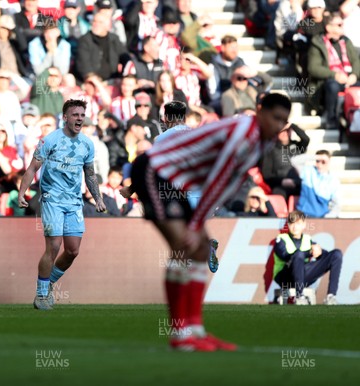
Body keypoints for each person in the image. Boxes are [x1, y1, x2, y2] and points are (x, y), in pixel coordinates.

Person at [120, 92, 292, 351]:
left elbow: (231, 182)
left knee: (200, 248)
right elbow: (218, 178)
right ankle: (180, 334)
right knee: (183, 246)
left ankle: (196, 330)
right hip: (154, 170)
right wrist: (195, 222)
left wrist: (197, 222)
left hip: (176, 180)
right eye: (275, 117)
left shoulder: (263, 142)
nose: (278, 125)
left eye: (283, 121)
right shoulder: (243, 132)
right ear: (259, 111)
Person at [17, 99, 106, 310]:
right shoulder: (50, 140)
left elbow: (90, 174)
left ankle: (47, 286)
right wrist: (23, 192)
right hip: (52, 199)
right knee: (54, 245)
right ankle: (40, 295)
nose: (79, 118)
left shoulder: (87, 144)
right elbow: (32, 169)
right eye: (75, 115)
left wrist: (98, 198)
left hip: (74, 202)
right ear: (65, 117)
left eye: (82, 115)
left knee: (73, 251)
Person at [273, 210, 342, 305]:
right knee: (299, 255)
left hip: (302, 275)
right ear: (288, 225)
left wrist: (319, 252)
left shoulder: (307, 239)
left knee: (336, 254)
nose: (295, 226)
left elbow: (320, 254)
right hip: (285, 277)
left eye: (298, 223)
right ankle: (299, 296)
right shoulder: (281, 239)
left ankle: (331, 296)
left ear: (304, 225)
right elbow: (286, 255)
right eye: (292, 223)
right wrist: (309, 252)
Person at [307, 12, 360, 130]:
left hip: (348, 78)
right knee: (332, 86)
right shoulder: (317, 42)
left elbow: (356, 61)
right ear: (328, 27)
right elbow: (313, 68)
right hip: (327, 82)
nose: (343, 27)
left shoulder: (346, 41)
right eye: (339, 24)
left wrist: (354, 75)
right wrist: (334, 75)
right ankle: (331, 119)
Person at [260, 121, 309, 199]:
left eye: (287, 131)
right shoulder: (271, 150)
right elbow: (267, 174)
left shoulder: (298, 147)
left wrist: (291, 125)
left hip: (299, 183)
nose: (284, 134)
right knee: (278, 195)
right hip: (280, 185)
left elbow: (305, 139)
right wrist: (282, 181)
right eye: (281, 132)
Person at [296, 150, 341, 218]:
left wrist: (328, 217)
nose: (319, 164)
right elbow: (295, 160)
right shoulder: (308, 171)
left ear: (329, 162)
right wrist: (316, 157)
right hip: (304, 215)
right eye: (317, 161)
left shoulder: (333, 180)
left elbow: (336, 203)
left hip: (323, 216)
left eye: (323, 162)